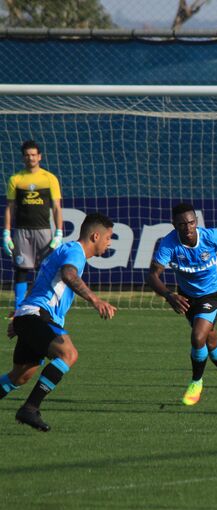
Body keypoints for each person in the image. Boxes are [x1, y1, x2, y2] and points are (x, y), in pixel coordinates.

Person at [0, 213, 117, 432]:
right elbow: (68, 275)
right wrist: (96, 300)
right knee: (68, 354)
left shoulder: (66, 250)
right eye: (108, 237)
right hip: (38, 315)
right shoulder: (75, 252)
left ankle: (29, 407)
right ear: (95, 236)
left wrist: (20, 316)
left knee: (21, 375)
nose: (109, 242)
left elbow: (41, 283)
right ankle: (30, 408)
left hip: (30, 315)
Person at [147, 203, 217, 406]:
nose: (188, 228)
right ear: (174, 224)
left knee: (198, 336)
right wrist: (169, 295)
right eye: (183, 224)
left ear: (197, 221)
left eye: (192, 222)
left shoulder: (211, 237)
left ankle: (196, 382)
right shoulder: (169, 244)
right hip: (188, 298)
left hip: (213, 294)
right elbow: (152, 275)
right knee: (210, 341)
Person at [4, 140, 64, 312]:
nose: (31, 158)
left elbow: (57, 207)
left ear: (40, 157)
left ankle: (42, 307)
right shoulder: (16, 179)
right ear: (23, 158)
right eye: (27, 155)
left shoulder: (49, 178)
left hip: (44, 231)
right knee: (21, 270)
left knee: (45, 270)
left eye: (33, 155)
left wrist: (59, 232)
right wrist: (6, 233)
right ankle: (19, 309)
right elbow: (10, 208)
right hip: (22, 232)